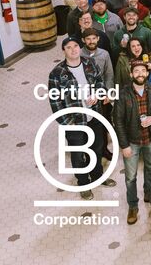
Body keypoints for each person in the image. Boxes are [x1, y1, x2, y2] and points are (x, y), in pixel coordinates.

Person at [48, 37, 117, 199]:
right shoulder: (57, 73)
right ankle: (83, 183)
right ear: (64, 51)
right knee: (79, 154)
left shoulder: (89, 63)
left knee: (97, 148)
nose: (73, 50)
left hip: (94, 116)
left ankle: (98, 177)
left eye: (76, 46)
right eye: (69, 47)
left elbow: (99, 82)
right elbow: (55, 102)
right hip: (74, 122)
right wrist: (68, 124)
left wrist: (98, 94)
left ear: (80, 47)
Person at [113, 60, 151, 224]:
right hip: (132, 141)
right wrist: (124, 145)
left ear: (147, 73)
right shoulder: (124, 93)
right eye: (136, 71)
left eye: (143, 71)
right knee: (130, 177)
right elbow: (118, 121)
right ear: (131, 74)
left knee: (150, 168)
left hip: (150, 138)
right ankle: (133, 205)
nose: (140, 74)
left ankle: (149, 192)